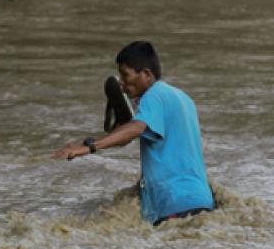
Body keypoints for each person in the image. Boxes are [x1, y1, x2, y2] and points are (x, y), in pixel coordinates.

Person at [54, 40, 215, 225]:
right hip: (201, 201)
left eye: (125, 75)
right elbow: (128, 135)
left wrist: (89, 147)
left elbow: (136, 128)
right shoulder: (181, 97)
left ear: (146, 74)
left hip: (175, 206)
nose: (121, 83)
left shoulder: (153, 96)